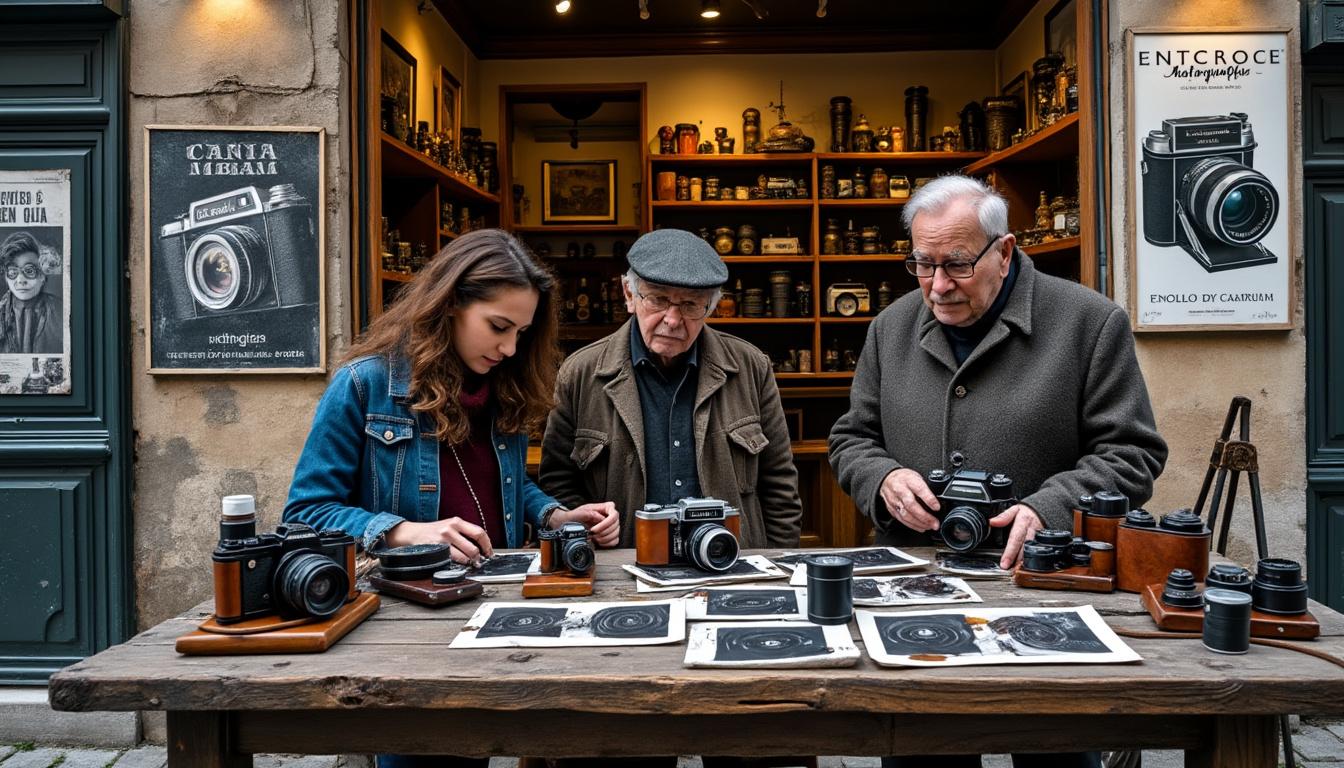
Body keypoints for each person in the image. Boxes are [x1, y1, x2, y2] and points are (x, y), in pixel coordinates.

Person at [828, 175, 1167, 768]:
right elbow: (852, 439)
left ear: (1004, 250)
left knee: (1055, 752)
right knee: (924, 753)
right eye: (922, 263)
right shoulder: (891, 327)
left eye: (956, 264)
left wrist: (1049, 508)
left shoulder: (1089, 323)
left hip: (1043, 588)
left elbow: (1132, 454)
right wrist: (881, 478)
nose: (937, 285)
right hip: (918, 592)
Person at [283, 229, 619, 768]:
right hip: (406, 629)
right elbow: (305, 512)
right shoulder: (364, 385)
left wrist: (555, 513)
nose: (510, 348)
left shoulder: (503, 386)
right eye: (499, 327)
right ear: (449, 305)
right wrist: (408, 531)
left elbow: (504, 485)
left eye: (522, 333)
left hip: (496, 613)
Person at [541, 227, 802, 551]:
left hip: (729, 567)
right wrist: (585, 530)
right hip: (621, 571)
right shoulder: (581, 374)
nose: (673, 319)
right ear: (629, 294)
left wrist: (777, 565)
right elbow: (557, 483)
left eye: (691, 305)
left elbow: (779, 487)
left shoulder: (750, 368)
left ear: (710, 308)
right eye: (659, 299)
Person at [0, 231, 63, 355]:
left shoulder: (61, 311)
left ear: (43, 275)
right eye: (12, 272)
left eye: (29, 270)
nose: (20, 280)